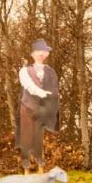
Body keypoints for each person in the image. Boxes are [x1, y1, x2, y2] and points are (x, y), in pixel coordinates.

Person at [16, 39, 59, 173]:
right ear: (32, 54)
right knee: (25, 137)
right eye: (38, 51)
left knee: (39, 138)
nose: (41, 54)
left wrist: (51, 105)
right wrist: (43, 93)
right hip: (27, 107)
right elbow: (28, 86)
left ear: (47, 54)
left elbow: (54, 90)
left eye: (44, 51)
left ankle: (41, 167)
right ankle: (26, 169)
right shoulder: (24, 71)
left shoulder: (50, 72)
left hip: (42, 109)